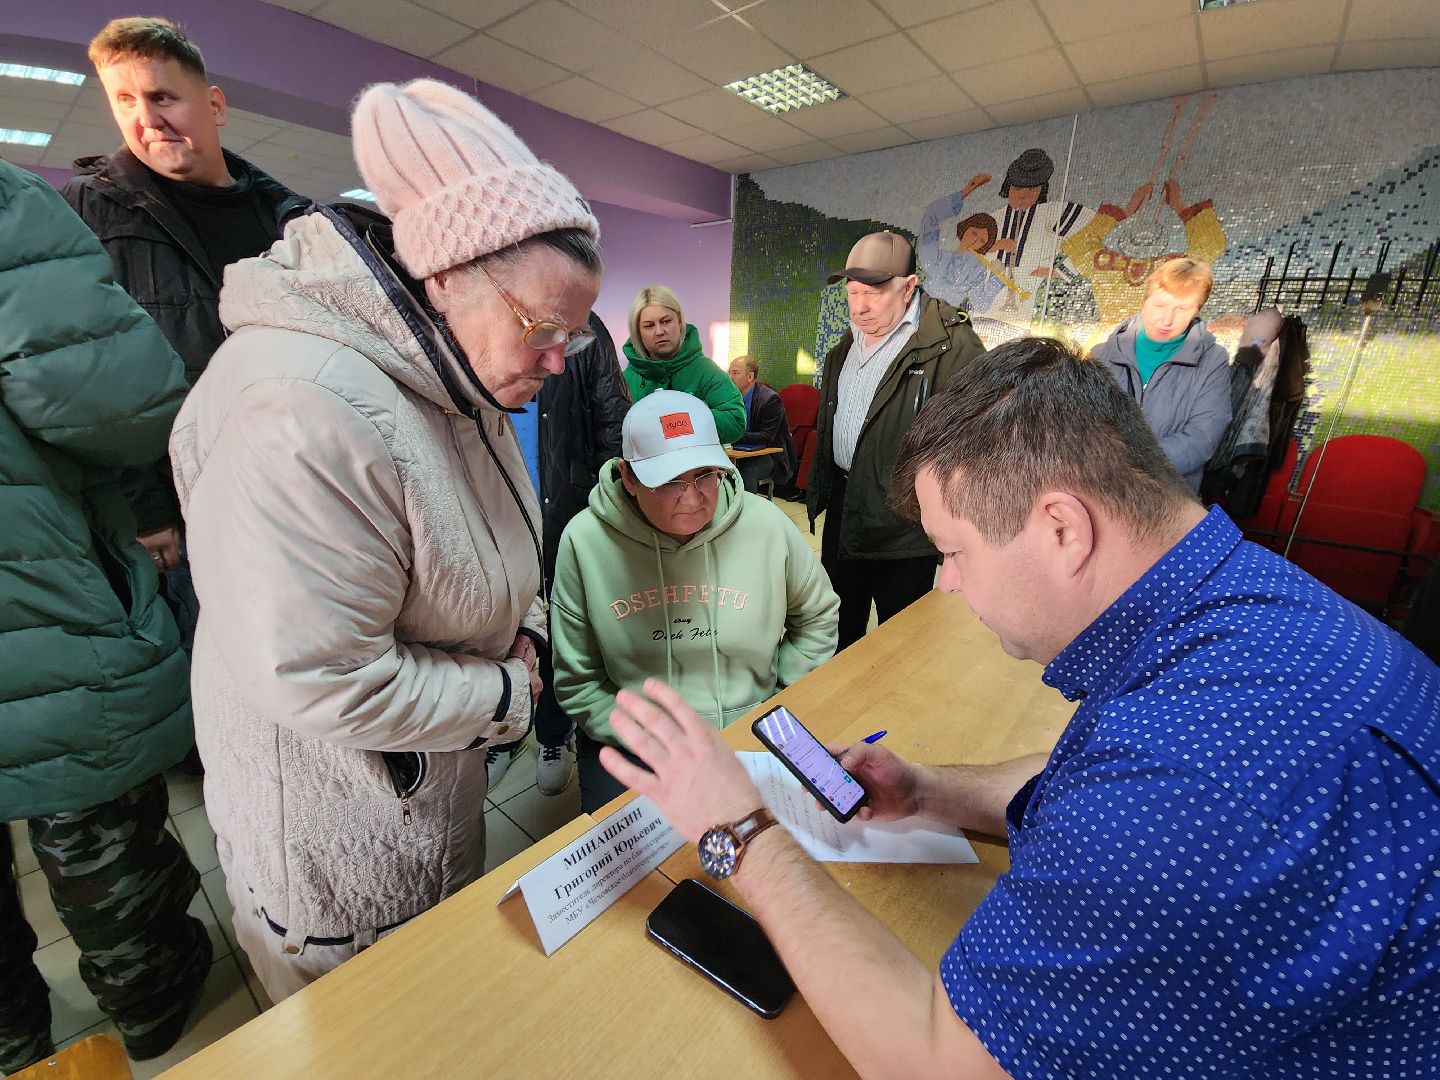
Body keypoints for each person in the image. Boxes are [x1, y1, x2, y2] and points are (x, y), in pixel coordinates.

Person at [600, 337, 1440, 1079]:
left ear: (1062, 529)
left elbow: (936, 1059)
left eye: (955, 551)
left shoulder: (1187, 789)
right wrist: (930, 789)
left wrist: (742, 832)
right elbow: (1095, 775)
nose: (947, 582)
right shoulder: (1244, 604)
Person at [168, 79, 601, 1000]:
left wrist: (517, 622)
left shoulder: (445, 362)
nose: (558, 360)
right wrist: (506, 689)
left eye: (575, 334)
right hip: (339, 839)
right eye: (544, 328)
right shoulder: (298, 409)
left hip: (423, 781)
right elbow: (318, 674)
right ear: (445, 277)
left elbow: (473, 535)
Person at [0, 159, 209, 1070]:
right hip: (37, 598)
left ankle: (11, 1036)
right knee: (91, 826)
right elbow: (122, 404)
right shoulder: (9, 206)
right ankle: (152, 996)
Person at [62, 16, 307, 654]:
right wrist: (143, 507)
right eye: (126, 100)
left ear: (214, 104)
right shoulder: (87, 213)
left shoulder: (291, 219)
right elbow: (88, 375)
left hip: (298, 494)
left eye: (163, 96)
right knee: (220, 695)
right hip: (182, 516)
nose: (148, 118)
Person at [551, 390, 838, 814]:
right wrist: (644, 736)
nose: (692, 497)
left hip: (755, 724)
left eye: (705, 473)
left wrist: (776, 701)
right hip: (639, 743)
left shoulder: (767, 526)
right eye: (669, 481)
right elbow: (577, 680)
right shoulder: (584, 541)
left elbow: (817, 616)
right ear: (628, 478)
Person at [808, 229, 985, 650]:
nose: (860, 307)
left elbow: (977, 438)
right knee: (838, 626)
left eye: (874, 293)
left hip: (905, 523)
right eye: (852, 293)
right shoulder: (845, 346)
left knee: (902, 641)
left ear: (908, 287)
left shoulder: (950, 345)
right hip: (846, 510)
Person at [486, 311, 630, 794]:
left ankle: (553, 732)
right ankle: (503, 735)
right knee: (498, 628)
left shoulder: (585, 329)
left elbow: (613, 423)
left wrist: (607, 512)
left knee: (560, 628)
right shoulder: (478, 323)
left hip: (564, 510)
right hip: (493, 515)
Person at [1089, 257, 1232, 492]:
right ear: (1144, 301)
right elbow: (1077, 422)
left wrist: (1127, 463)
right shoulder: (1102, 355)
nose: (1167, 319)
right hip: (1100, 491)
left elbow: (1202, 438)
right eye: (1160, 305)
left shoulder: (1213, 361)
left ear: (1197, 310)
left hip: (1165, 500)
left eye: (1182, 309)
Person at [622, 286, 745, 444]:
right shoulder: (625, 380)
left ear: (680, 321)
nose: (659, 331)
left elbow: (735, 421)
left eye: (666, 321)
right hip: (641, 467)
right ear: (637, 332)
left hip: (699, 466)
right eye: (649, 325)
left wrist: (678, 422)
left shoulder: (705, 371)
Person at [726, 355, 795, 494]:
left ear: (750, 376)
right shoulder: (730, 397)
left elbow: (766, 437)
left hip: (771, 456)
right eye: (729, 372)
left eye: (735, 372)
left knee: (746, 469)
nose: (730, 377)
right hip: (737, 452)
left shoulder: (770, 399)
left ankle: (748, 512)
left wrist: (732, 436)